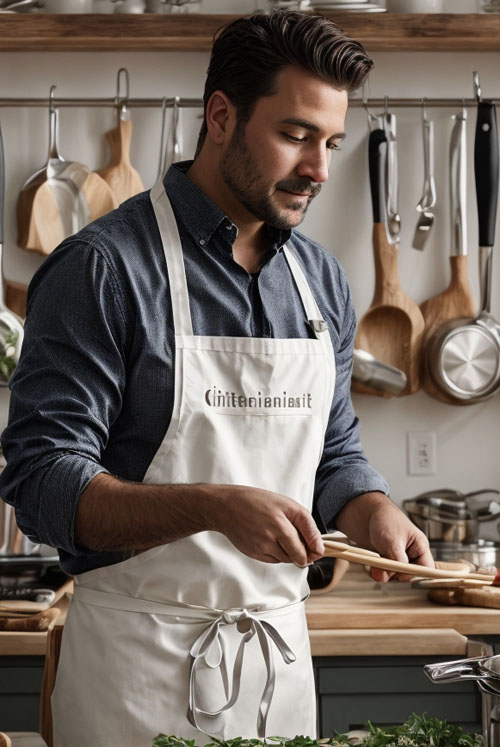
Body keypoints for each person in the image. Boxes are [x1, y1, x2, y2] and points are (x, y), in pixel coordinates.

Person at [0, 10, 434, 747]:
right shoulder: (103, 269)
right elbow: (42, 484)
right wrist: (211, 505)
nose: (320, 169)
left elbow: (332, 451)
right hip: (135, 678)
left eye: (332, 142)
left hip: (277, 675)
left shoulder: (320, 280)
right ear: (222, 117)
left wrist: (370, 508)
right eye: (296, 135)